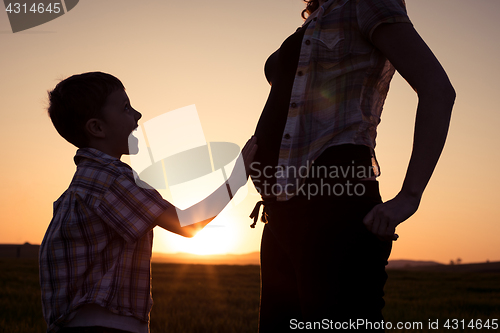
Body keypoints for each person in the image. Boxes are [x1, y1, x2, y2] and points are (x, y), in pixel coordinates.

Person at [249, 0, 455, 331]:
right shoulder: (318, 15)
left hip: (335, 207)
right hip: (280, 212)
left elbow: (438, 89)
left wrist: (410, 195)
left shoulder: (366, 2)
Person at [39, 72, 257, 333]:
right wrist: (236, 177)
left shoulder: (83, 184)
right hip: (104, 325)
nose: (138, 115)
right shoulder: (111, 179)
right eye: (125, 108)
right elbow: (187, 223)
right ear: (97, 128)